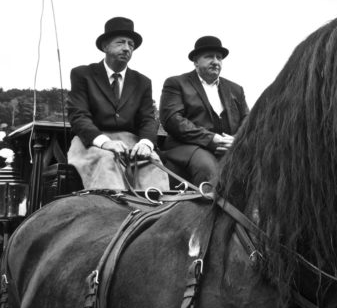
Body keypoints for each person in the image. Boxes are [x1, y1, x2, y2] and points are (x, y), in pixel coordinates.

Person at [66, 16, 169, 191]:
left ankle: (155, 215)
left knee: (153, 163)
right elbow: (78, 116)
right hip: (91, 143)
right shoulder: (83, 74)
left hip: (130, 143)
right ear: (105, 46)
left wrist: (145, 143)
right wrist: (105, 142)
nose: (127, 48)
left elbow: (148, 119)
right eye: (121, 43)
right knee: (107, 160)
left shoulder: (143, 82)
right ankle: (113, 214)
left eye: (131, 45)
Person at [159, 35, 249, 184]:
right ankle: (208, 207)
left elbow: (248, 120)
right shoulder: (176, 83)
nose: (215, 62)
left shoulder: (235, 89)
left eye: (219, 58)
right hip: (186, 147)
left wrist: (237, 140)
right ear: (195, 62)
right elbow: (172, 120)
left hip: (229, 147)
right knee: (209, 169)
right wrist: (212, 140)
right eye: (209, 57)